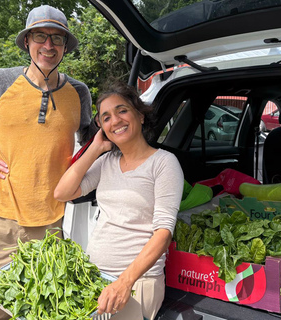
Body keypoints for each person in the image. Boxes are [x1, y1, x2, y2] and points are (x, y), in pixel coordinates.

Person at [0, 5, 92, 320]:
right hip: (1, 220)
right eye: (40, 36)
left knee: (42, 311)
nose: (48, 46)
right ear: (27, 42)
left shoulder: (79, 92)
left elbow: (92, 142)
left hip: (52, 221)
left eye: (57, 39)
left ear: (65, 46)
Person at [54, 82, 184, 320]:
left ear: (140, 116)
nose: (115, 121)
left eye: (122, 111)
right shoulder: (106, 162)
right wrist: (95, 148)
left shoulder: (164, 163)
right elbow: (62, 193)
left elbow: (163, 233)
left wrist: (124, 282)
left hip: (136, 284)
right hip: (97, 278)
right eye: (106, 118)